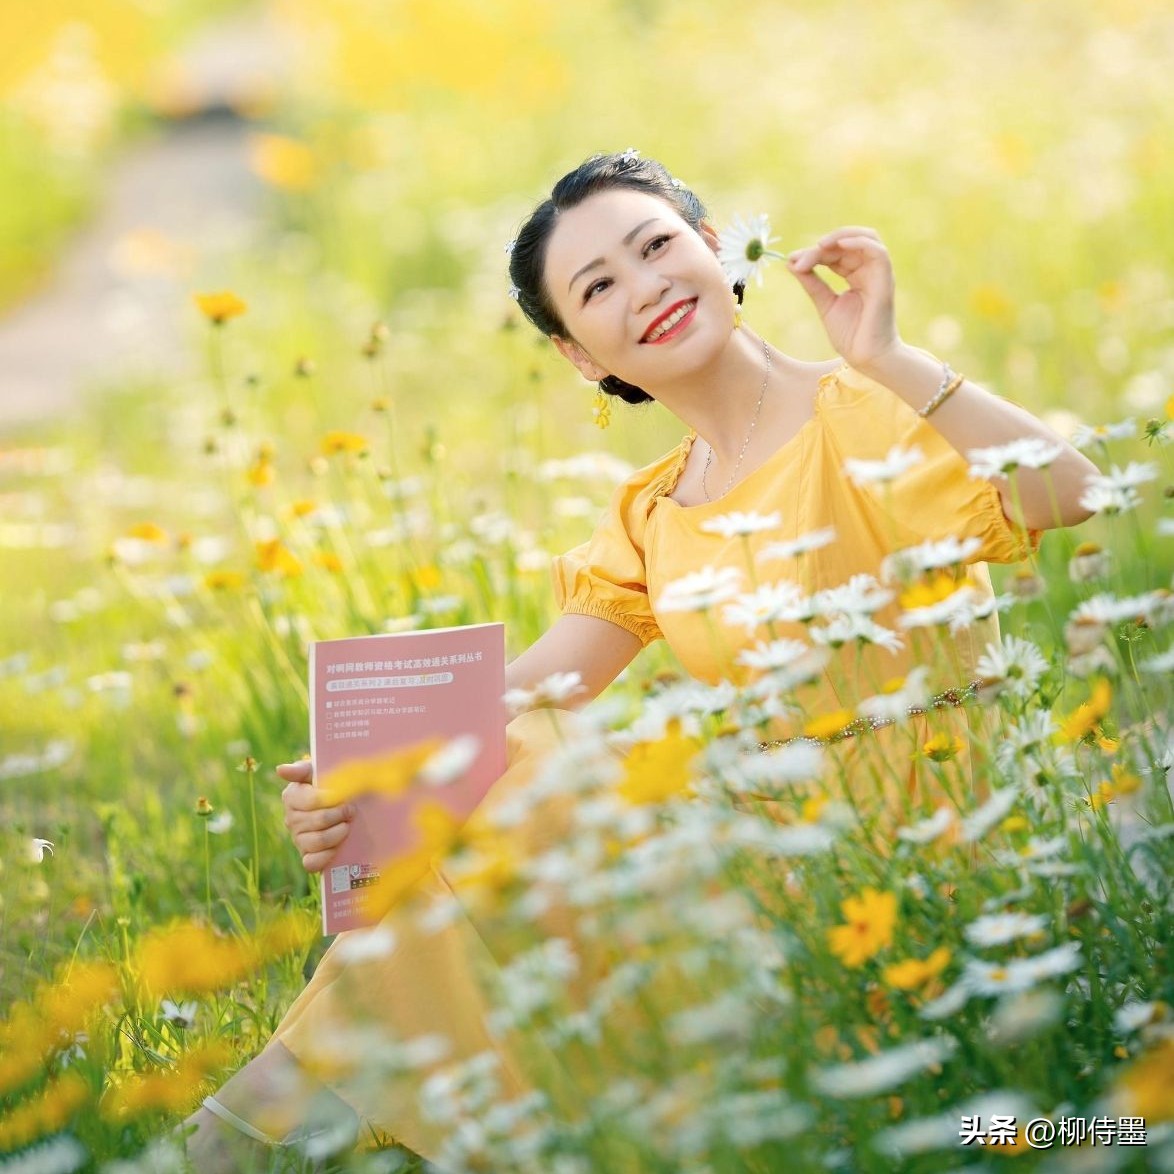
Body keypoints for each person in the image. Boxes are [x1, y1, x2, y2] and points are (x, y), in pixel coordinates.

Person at [184, 152, 1098, 1167]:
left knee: (518, 777)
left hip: (927, 831)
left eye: (657, 245)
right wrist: (356, 779)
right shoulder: (655, 510)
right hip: (772, 844)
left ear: (713, 249)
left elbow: (1073, 493)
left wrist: (886, 354)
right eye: (599, 287)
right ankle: (263, 1131)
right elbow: (523, 690)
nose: (646, 286)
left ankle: (251, 1135)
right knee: (501, 754)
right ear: (581, 355)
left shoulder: (868, 409)